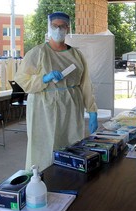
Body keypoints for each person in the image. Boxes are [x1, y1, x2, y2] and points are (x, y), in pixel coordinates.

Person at [14, 12, 98, 171]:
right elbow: (21, 78)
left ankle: (69, 181)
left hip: (72, 106)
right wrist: (43, 79)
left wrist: (92, 109)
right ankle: (40, 180)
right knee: (44, 148)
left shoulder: (76, 54)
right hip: (44, 108)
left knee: (71, 144)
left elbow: (85, 83)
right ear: (49, 27)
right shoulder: (38, 52)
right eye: (55, 26)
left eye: (63, 26)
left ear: (68, 28)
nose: (59, 29)